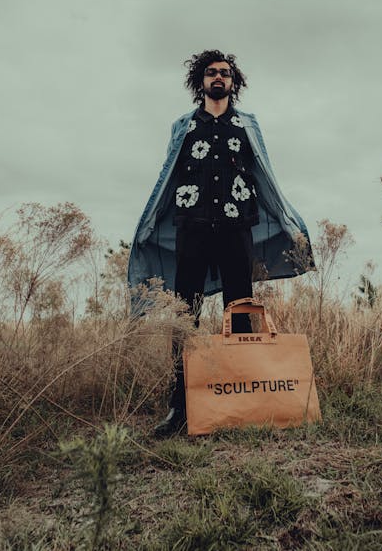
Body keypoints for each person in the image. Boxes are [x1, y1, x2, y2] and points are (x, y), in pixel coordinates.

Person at [128, 50, 314, 435]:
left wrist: (288, 220)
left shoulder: (247, 125)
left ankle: (245, 399)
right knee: (185, 316)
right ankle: (179, 407)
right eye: (211, 73)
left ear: (234, 81)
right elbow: (169, 177)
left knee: (241, 312)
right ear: (201, 80)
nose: (218, 78)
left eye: (225, 73)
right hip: (191, 226)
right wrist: (149, 223)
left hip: (236, 227)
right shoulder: (184, 125)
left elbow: (265, 175)